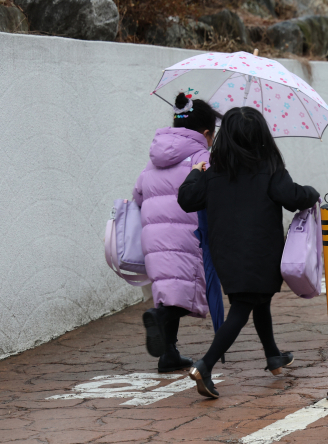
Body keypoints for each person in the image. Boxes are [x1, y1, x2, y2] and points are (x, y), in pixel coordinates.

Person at [177, 107, 320, 398]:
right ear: (262, 137)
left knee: (258, 300)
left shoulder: (214, 171)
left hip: (226, 253)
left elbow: (187, 199)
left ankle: (273, 356)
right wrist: (313, 192)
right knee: (243, 308)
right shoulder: (269, 168)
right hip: (261, 251)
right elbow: (292, 197)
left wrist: (194, 173)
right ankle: (205, 365)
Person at [132, 92, 221, 372]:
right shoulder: (203, 157)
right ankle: (158, 316)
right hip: (188, 234)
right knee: (187, 291)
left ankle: (168, 354)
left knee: (169, 288)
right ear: (206, 133)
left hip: (154, 237)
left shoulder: (154, 158)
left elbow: (137, 194)